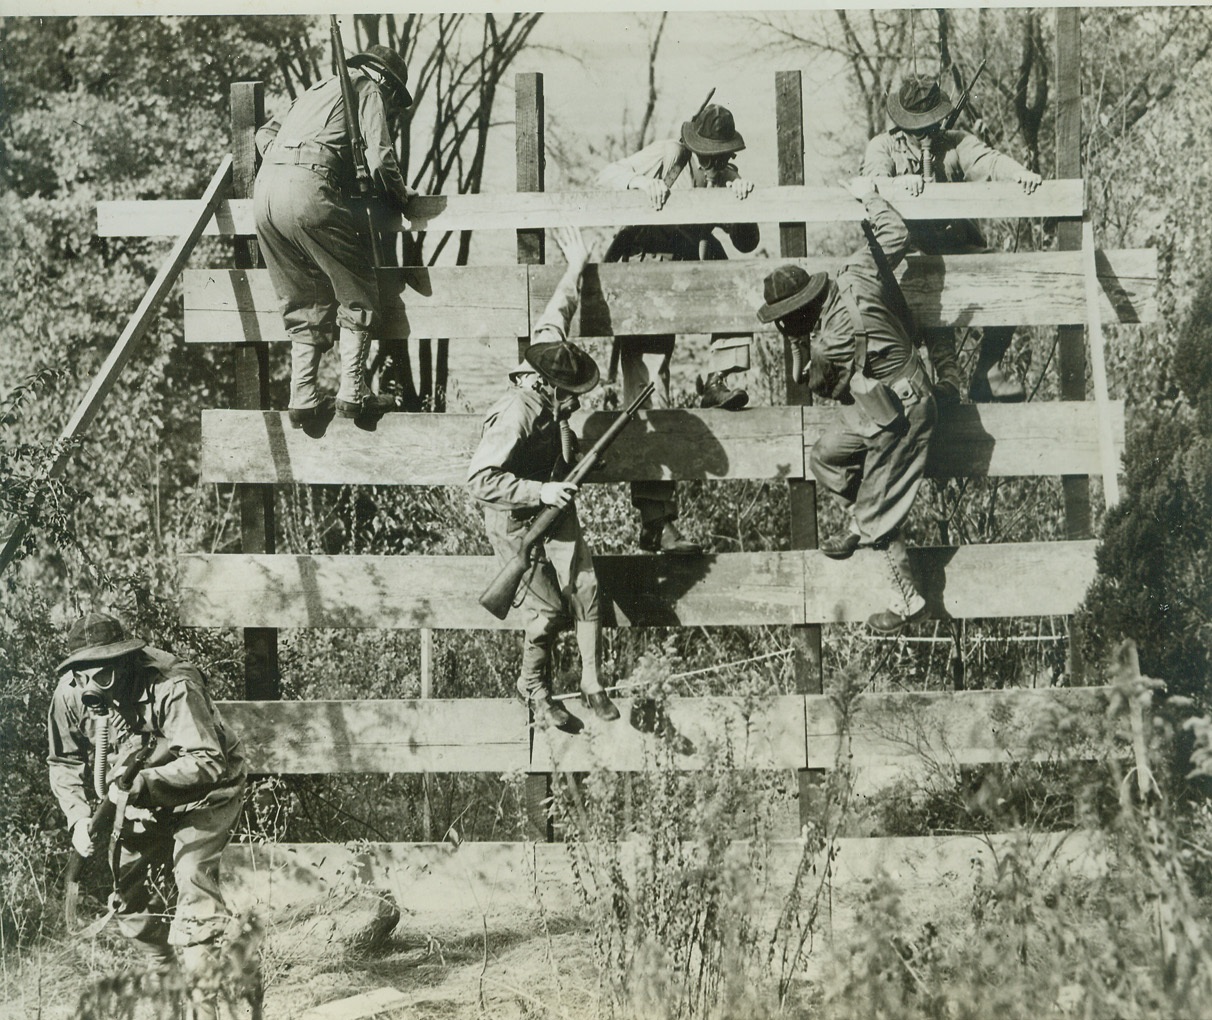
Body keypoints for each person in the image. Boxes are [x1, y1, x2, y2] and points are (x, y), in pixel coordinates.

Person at [48, 612, 248, 1020]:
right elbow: (63, 761)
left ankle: (202, 1005)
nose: (91, 688)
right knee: (128, 891)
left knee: (192, 873)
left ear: (125, 661)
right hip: (136, 794)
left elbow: (208, 762)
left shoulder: (172, 684)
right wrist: (77, 816)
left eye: (102, 676)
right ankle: (165, 983)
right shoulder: (71, 694)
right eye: (82, 676)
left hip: (206, 791)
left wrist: (138, 786)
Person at [758, 179, 935, 633]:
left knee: (877, 512)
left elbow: (815, 384)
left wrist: (798, 346)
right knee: (825, 456)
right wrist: (868, 194)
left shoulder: (830, 345)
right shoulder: (855, 271)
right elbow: (894, 233)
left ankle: (906, 599)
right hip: (885, 399)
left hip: (905, 411)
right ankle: (871, 511)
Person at [467, 226, 620, 733]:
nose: (576, 402)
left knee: (587, 585)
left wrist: (576, 264)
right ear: (546, 387)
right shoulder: (515, 413)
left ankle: (593, 683)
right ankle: (534, 691)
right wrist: (539, 491)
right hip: (515, 518)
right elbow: (480, 479)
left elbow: (558, 312)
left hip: (554, 502)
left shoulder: (548, 353)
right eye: (569, 395)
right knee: (549, 611)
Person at [596, 103, 760, 554]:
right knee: (651, 397)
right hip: (644, 271)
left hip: (690, 266)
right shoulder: (669, 155)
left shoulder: (725, 174)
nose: (711, 165)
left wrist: (738, 196)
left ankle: (719, 378)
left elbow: (749, 241)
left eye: (720, 157)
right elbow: (604, 178)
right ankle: (656, 521)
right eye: (706, 156)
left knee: (727, 272)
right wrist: (639, 183)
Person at [254, 44, 419, 429]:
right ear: (388, 84)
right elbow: (380, 157)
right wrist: (402, 195)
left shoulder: (317, 88)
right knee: (358, 286)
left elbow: (265, 134)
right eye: (395, 99)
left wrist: (287, 162)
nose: (392, 107)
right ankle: (353, 391)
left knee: (302, 294)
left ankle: (304, 396)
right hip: (307, 191)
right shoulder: (370, 89)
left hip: (265, 195)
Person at [860, 74, 1044, 403]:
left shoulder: (954, 142)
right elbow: (872, 179)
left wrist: (1018, 173)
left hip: (955, 248)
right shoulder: (883, 145)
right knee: (924, 309)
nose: (924, 134)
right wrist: (898, 186)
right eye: (916, 126)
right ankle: (936, 385)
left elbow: (987, 159)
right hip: (908, 256)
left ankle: (987, 371)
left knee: (1009, 276)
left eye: (930, 125)